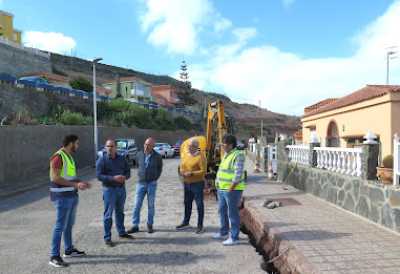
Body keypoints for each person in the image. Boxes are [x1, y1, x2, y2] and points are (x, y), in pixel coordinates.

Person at [48, 134, 91, 268]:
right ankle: (54, 256)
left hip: (71, 196)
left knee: (68, 225)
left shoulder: (69, 157)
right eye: (76, 143)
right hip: (61, 197)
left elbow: (69, 176)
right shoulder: (58, 157)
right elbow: (55, 178)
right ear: (70, 143)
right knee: (60, 226)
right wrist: (75, 185)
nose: (78, 146)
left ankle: (69, 249)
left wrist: (79, 182)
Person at [96, 139, 134, 247]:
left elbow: (128, 172)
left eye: (112, 146)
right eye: (107, 146)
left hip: (121, 190)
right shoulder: (102, 160)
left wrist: (124, 177)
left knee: (120, 212)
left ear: (116, 148)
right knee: (108, 214)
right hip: (109, 190)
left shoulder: (122, 159)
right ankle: (107, 237)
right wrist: (113, 178)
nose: (109, 148)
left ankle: (121, 232)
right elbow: (99, 176)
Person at [213, 134, 246, 246]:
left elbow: (238, 173)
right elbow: (221, 170)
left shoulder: (238, 155)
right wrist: (217, 182)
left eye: (224, 144)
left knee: (232, 213)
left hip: (232, 190)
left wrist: (231, 188)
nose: (222, 146)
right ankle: (223, 232)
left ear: (231, 145)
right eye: (222, 144)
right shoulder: (226, 154)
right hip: (222, 188)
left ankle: (234, 237)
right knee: (222, 211)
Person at [127, 137, 163, 234]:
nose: (146, 146)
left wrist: (155, 177)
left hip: (152, 184)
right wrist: (141, 174)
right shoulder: (139, 154)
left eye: (149, 145)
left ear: (153, 146)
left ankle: (150, 224)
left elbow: (160, 169)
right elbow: (138, 166)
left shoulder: (158, 156)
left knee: (151, 206)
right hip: (141, 183)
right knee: (136, 205)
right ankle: (135, 225)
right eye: (145, 144)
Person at [176, 138, 206, 234]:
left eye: (191, 146)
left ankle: (200, 225)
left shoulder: (201, 157)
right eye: (188, 146)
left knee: (199, 204)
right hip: (186, 183)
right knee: (187, 203)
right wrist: (181, 171)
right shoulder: (186, 155)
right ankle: (186, 222)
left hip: (197, 183)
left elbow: (203, 171)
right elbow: (181, 165)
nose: (188, 147)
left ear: (196, 147)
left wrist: (192, 173)